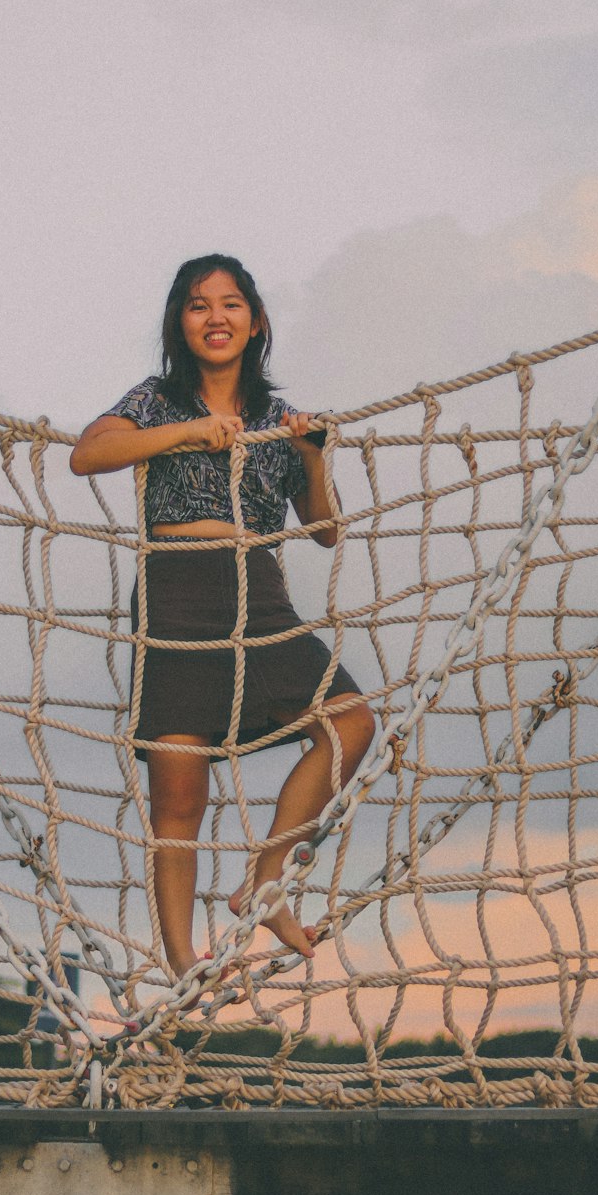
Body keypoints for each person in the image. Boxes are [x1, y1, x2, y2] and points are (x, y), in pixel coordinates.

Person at [70, 254, 376, 983]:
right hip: (176, 591)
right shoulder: (157, 400)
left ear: (256, 321)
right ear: (181, 323)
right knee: (180, 791)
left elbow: (326, 530)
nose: (216, 317)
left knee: (351, 722)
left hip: (257, 593)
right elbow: (89, 453)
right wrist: (184, 434)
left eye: (232, 304)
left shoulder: (277, 417)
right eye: (199, 305)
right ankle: (181, 963)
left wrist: (310, 455)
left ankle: (266, 879)